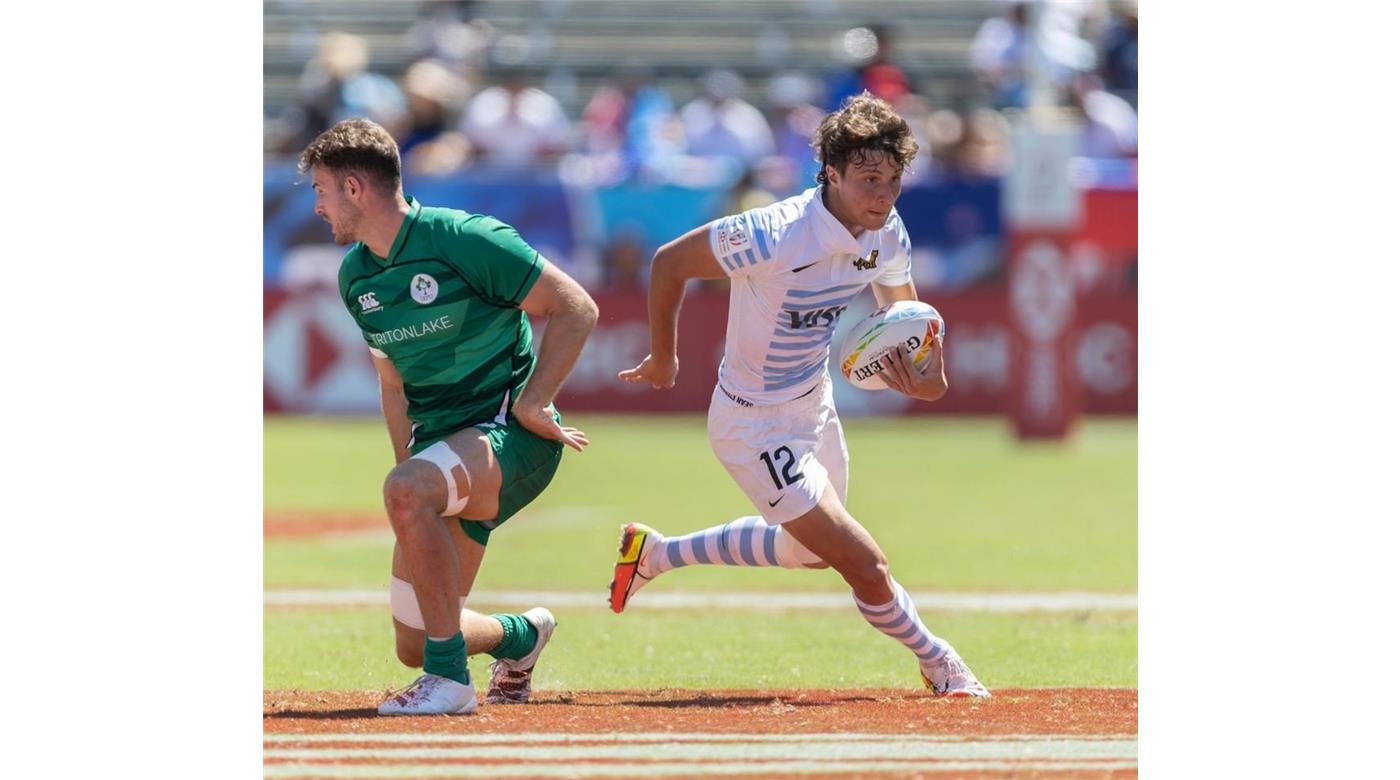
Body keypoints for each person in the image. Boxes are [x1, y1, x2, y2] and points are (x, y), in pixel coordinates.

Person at [611, 93, 990, 698]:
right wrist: (664, 355)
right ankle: (939, 660)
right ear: (831, 174)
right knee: (863, 563)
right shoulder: (771, 232)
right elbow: (667, 262)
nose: (883, 194)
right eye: (869, 179)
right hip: (750, 425)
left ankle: (656, 554)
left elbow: (910, 320)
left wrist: (929, 375)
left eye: (893, 180)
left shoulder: (886, 232)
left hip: (814, 406)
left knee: (809, 552)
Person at [299, 118, 599, 715]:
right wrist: (409, 474)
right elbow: (393, 384)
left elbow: (575, 306)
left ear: (355, 189)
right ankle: (521, 636)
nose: (317, 207)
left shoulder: (462, 237)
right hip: (444, 451)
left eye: (322, 191)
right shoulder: (356, 275)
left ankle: (452, 686)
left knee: (411, 504)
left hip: (510, 437)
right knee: (415, 640)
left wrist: (534, 402)